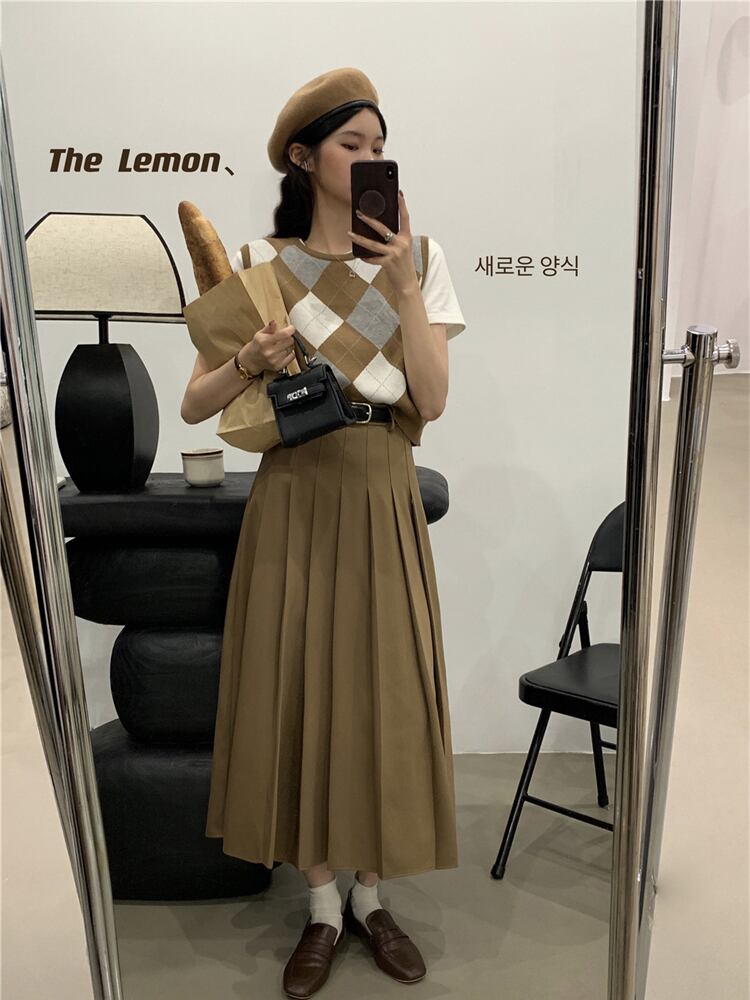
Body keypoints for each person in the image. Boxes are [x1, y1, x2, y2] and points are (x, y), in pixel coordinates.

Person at [181, 67, 466, 999]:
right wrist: (246, 358)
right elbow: (196, 406)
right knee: (296, 682)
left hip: (381, 482)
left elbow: (432, 400)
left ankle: (372, 898)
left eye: (380, 145)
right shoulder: (259, 265)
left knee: (383, 691)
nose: (372, 159)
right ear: (303, 158)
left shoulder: (420, 257)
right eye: (352, 145)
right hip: (294, 488)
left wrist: (404, 285)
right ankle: (321, 908)